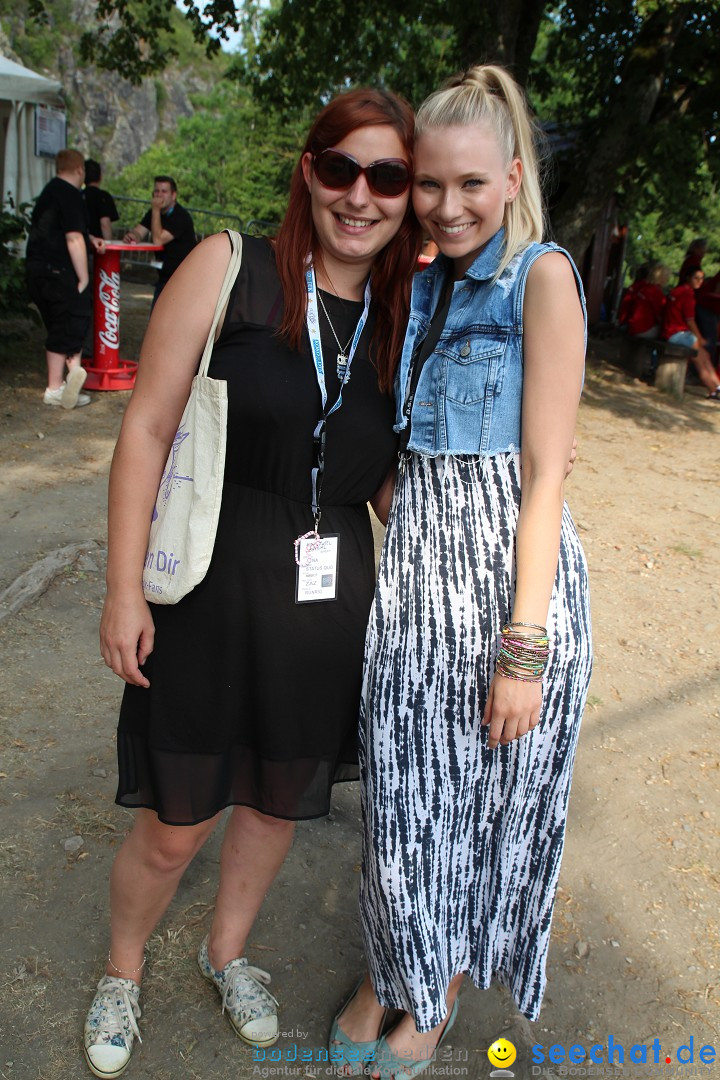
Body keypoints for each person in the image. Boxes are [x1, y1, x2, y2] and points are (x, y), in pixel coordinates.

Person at [84, 89, 421, 1078]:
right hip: (209, 584)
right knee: (175, 819)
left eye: (388, 177)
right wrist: (121, 588)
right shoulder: (230, 267)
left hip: (329, 602)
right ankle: (122, 970)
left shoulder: (406, 314)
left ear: (409, 196)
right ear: (308, 170)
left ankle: (226, 953)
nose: (361, 195)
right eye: (342, 168)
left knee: (277, 805)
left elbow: (392, 478)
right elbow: (146, 427)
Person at [330, 65, 593, 1078]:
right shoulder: (423, 280)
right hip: (418, 582)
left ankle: (431, 997)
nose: (447, 205)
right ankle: (392, 967)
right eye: (429, 185)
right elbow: (404, 456)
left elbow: (542, 481)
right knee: (404, 797)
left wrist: (522, 651)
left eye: (472, 184)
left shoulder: (543, 277)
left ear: (513, 174)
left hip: (505, 590)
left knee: (476, 807)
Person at [26, 148, 101, 409]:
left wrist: (89, 238)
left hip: (37, 270)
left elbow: (64, 231)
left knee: (63, 321)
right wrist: (83, 278)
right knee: (71, 317)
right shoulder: (71, 194)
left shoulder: (50, 191)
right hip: (59, 271)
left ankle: (72, 374)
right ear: (80, 170)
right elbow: (73, 237)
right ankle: (56, 387)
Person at [123, 175, 197, 306]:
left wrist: (156, 210)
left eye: (164, 191)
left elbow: (158, 240)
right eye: (156, 191)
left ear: (173, 195)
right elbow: (140, 231)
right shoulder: (153, 213)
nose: (159, 195)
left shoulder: (180, 216)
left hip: (183, 280)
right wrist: (133, 235)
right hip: (164, 278)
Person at [662, 265, 720, 399]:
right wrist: (699, 338)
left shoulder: (677, 291)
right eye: (696, 278)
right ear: (688, 278)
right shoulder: (687, 295)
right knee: (701, 360)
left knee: (704, 356)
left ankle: (716, 387)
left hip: (671, 331)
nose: (700, 281)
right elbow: (690, 320)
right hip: (678, 333)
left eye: (702, 278)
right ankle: (714, 389)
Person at [618, 262, 668, 339]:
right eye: (666, 276)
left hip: (632, 326)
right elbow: (660, 316)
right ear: (662, 278)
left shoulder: (644, 288)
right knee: (668, 333)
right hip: (642, 330)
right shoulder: (656, 292)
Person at [84, 159, 119, 241]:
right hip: (100, 245)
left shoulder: (77, 196)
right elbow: (105, 223)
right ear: (100, 177)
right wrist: (108, 244)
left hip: (83, 242)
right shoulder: (104, 196)